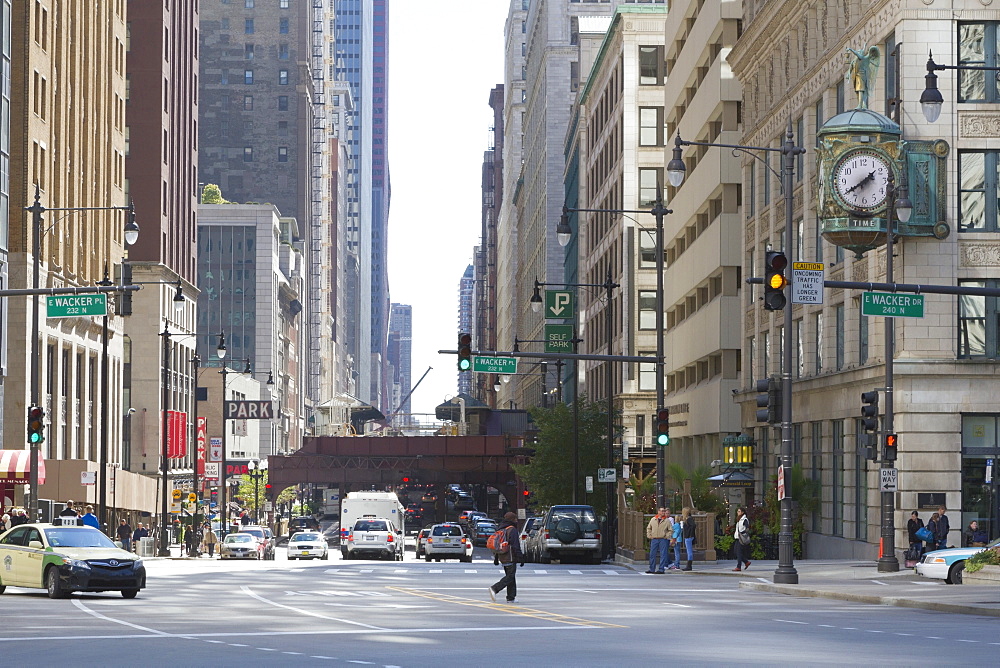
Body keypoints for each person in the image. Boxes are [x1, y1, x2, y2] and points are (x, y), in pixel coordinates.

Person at [488, 511, 525, 604]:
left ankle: (511, 597)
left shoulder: (501, 529)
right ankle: (495, 588)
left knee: (511, 577)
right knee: (510, 576)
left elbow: (498, 544)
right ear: (512, 520)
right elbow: (515, 546)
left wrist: (496, 558)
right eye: (515, 519)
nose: (516, 521)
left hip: (502, 556)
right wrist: (520, 557)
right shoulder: (512, 530)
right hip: (511, 557)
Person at [645, 508, 671, 574]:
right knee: (652, 554)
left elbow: (670, 530)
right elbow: (649, 528)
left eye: (664, 511)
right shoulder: (653, 519)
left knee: (663, 554)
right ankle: (652, 568)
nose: (663, 512)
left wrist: (666, 536)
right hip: (654, 538)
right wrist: (649, 535)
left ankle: (661, 569)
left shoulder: (667, 520)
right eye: (662, 511)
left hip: (663, 539)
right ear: (658, 511)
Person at [732, 507, 751, 572]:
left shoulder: (744, 519)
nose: (738, 512)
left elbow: (747, 528)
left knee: (739, 552)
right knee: (735, 552)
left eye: (739, 511)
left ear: (742, 512)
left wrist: (742, 533)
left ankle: (738, 566)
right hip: (737, 537)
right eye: (738, 511)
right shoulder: (739, 519)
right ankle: (746, 562)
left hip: (741, 538)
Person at [681, 507, 696, 571]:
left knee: (689, 551)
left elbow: (693, 526)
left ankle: (689, 565)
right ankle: (689, 565)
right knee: (689, 551)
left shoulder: (689, 519)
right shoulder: (688, 519)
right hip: (689, 536)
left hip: (688, 537)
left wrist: (689, 534)